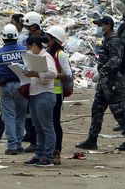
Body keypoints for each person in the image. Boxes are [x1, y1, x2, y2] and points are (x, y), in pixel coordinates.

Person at [76, 16, 125, 151]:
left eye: (101, 25)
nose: (99, 28)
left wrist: (102, 71)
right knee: (96, 110)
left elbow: (116, 61)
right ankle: (92, 140)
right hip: (104, 83)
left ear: (108, 26)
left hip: (112, 82)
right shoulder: (107, 40)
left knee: (119, 111)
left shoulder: (115, 41)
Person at [0, 23, 28, 155]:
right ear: (16, 36)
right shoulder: (24, 50)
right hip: (22, 86)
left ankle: (11, 146)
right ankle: (18, 144)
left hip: (5, 87)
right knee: (20, 117)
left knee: (9, 117)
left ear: (4, 37)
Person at [21, 35, 57, 167]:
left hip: (44, 95)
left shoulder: (46, 57)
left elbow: (53, 73)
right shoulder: (34, 57)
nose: (28, 50)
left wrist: (35, 74)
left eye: (29, 47)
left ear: (35, 46)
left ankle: (47, 156)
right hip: (34, 95)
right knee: (38, 128)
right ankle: (39, 154)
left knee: (46, 127)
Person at [45, 25, 72, 165]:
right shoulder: (47, 53)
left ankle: (57, 151)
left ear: (55, 40)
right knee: (46, 123)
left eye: (49, 39)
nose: (46, 41)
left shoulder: (60, 55)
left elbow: (68, 73)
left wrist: (52, 75)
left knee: (55, 122)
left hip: (56, 93)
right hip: (46, 91)